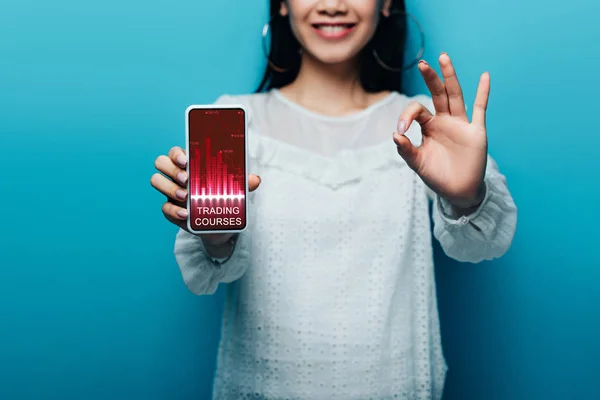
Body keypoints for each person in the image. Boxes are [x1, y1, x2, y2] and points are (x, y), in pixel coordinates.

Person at [150, 0, 518, 398]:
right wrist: (214, 239)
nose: (332, 5)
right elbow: (212, 272)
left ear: (388, 4)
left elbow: (481, 244)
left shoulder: (426, 123)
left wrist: (468, 198)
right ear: (282, 5)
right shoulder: (234, 122)